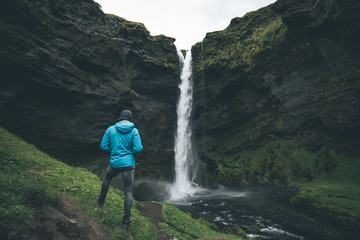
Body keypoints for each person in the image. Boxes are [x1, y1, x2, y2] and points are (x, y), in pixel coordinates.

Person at [94, 110, 143, 231]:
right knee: (128, 192)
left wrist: (115, 150)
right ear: (130, 119)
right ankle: (125, 222)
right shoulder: (134, 131)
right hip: (128, 165)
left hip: (114, 163)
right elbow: (138, 148)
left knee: (107, 179)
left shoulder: (111, 129)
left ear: (120, 118)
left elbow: (103, 146)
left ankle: (100, 203)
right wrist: (128, 153)